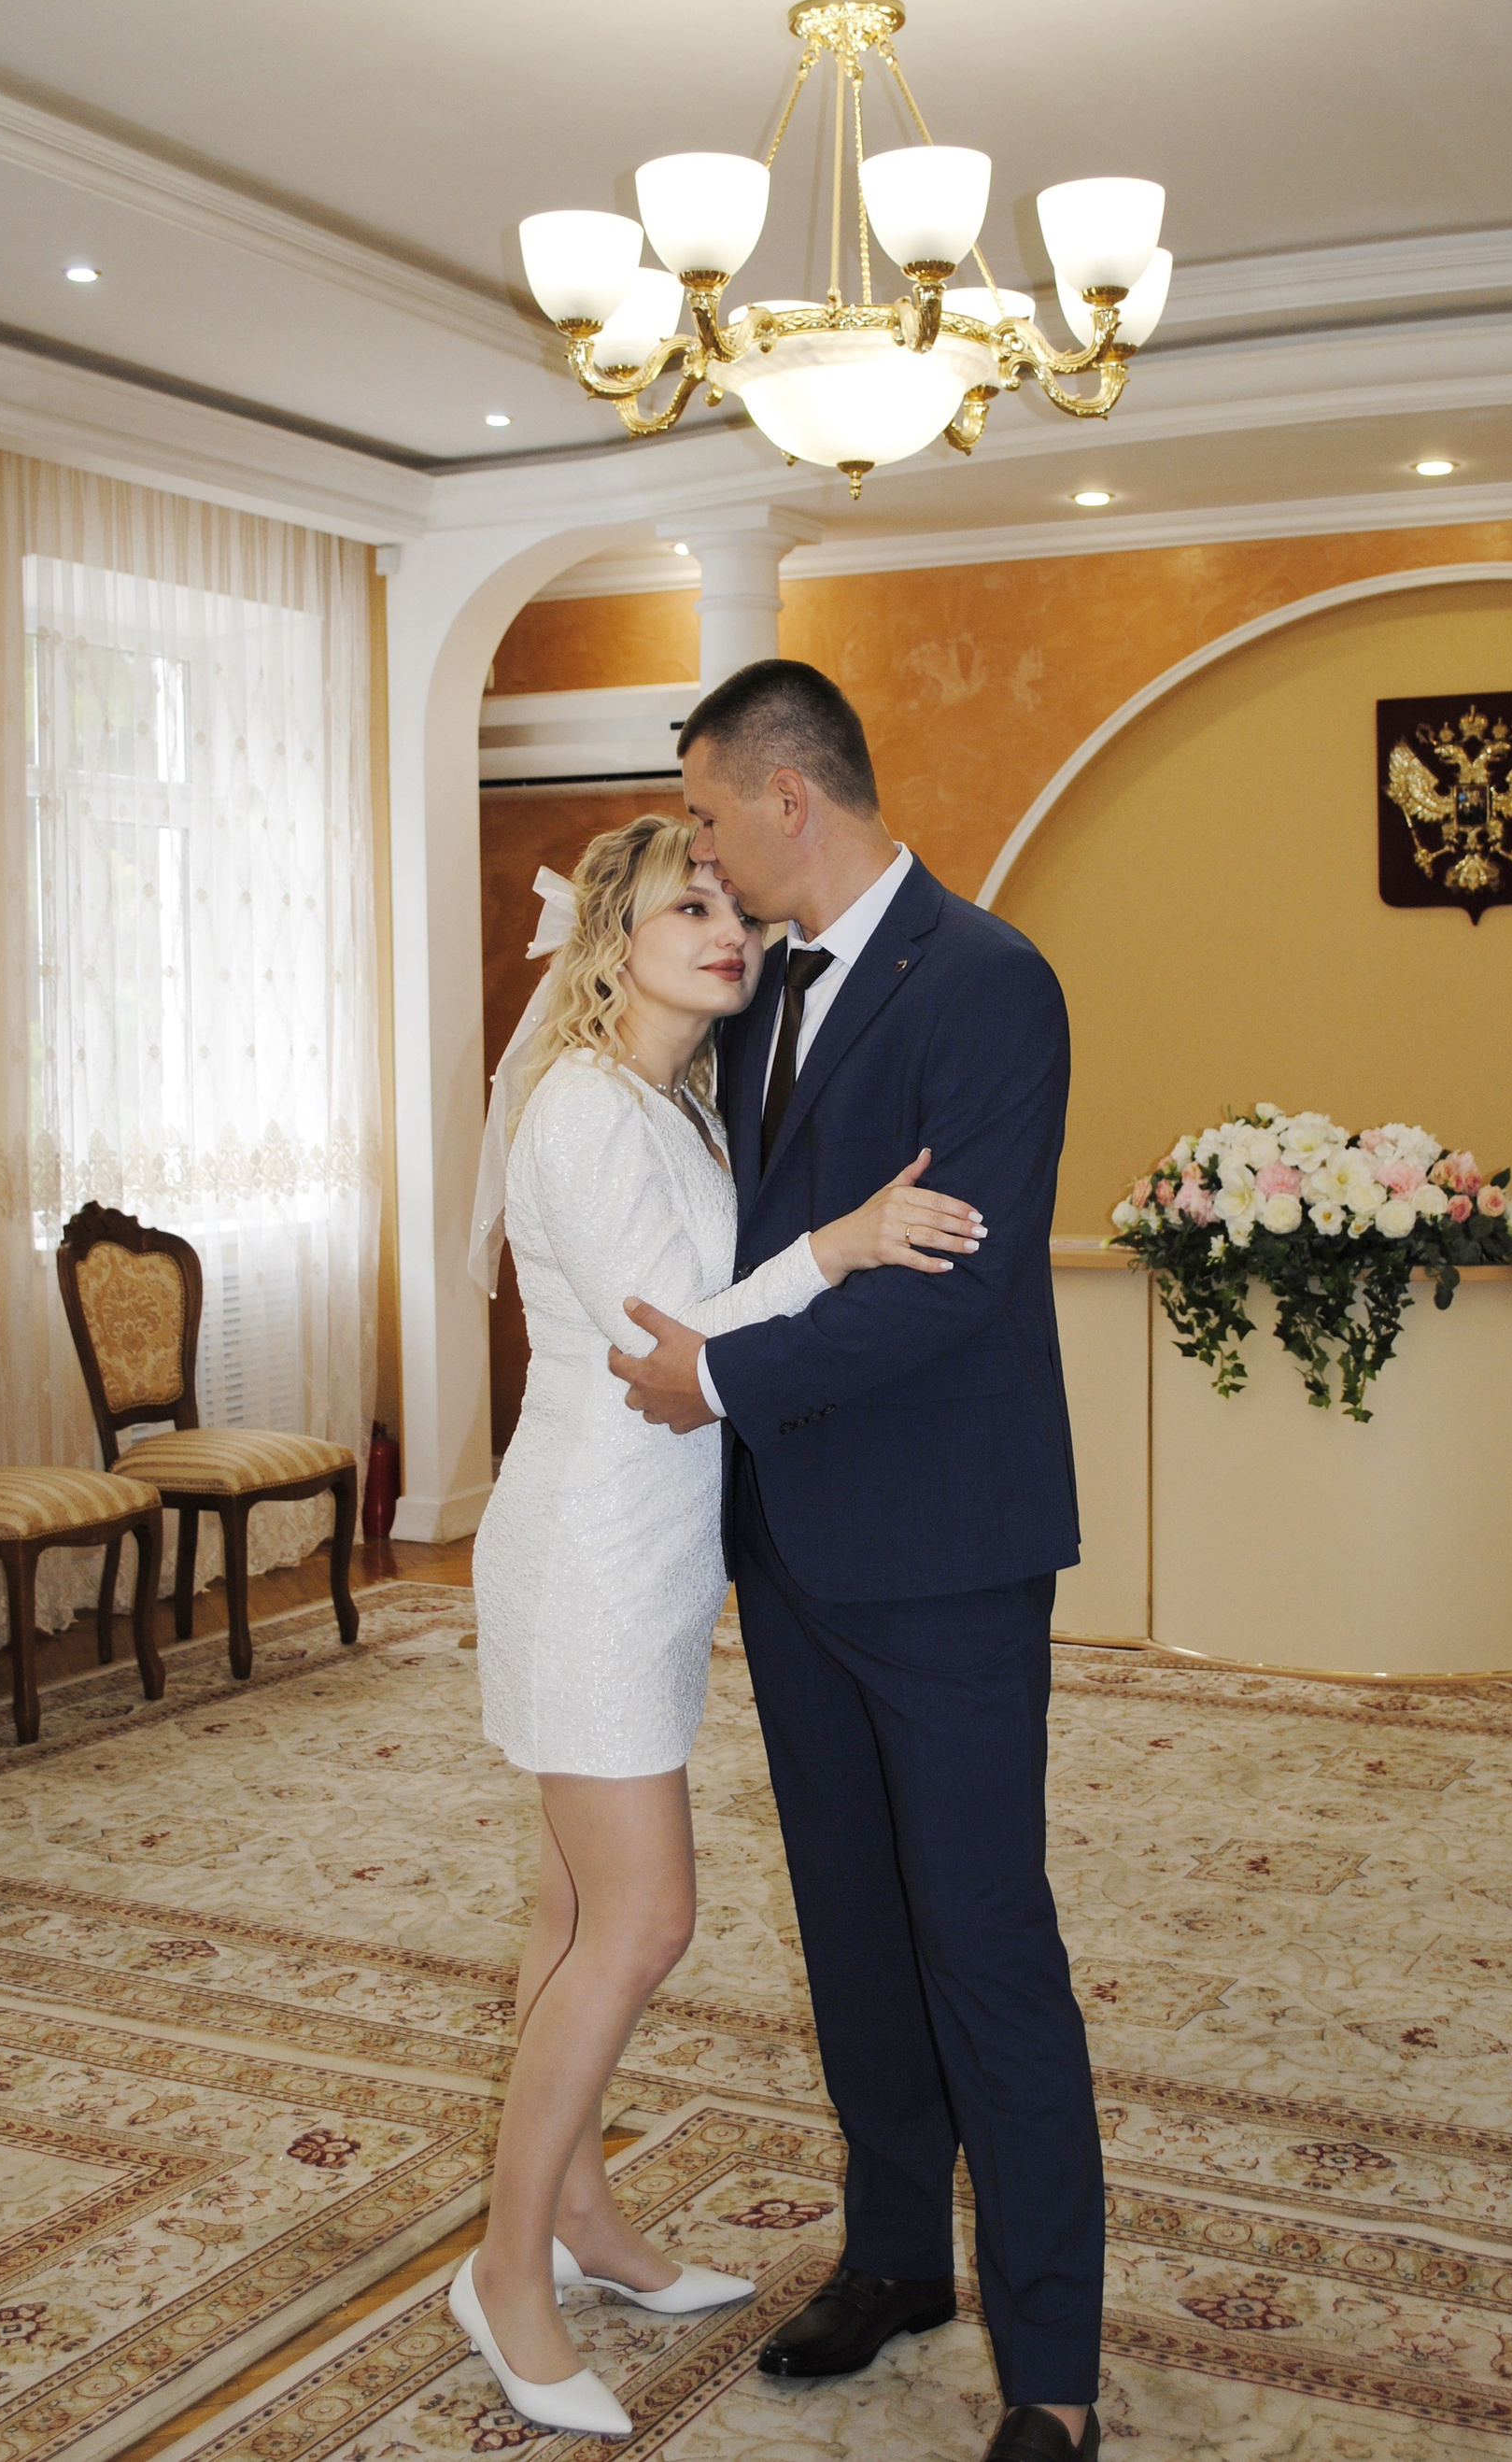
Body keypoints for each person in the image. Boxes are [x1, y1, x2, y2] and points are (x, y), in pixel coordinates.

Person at [608, 663, 1103, 2462]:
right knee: (852, 1926)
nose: (703, 853)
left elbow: (953, 1280)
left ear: (787, 798)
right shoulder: (756, 996)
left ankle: (1052, 2372)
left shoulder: (989, 980)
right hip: (794, 1548)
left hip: (950, 1551)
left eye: (707, 815)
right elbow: (759, 1237)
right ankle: (896, 2251)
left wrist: (719, 1381)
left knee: (984, 1939)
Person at [451, 813, 985, 2440]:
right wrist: (845, 1241)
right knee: (644, 1920)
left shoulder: (669, 1103)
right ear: (611, 947)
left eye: (729, 906)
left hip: (653, 1548)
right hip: (590, 1553)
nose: (729, 929)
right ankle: (505, 2273)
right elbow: (665, 1340)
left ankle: (581, 2218)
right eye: (690, 908)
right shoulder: (582, 1107)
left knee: (572, 1913)